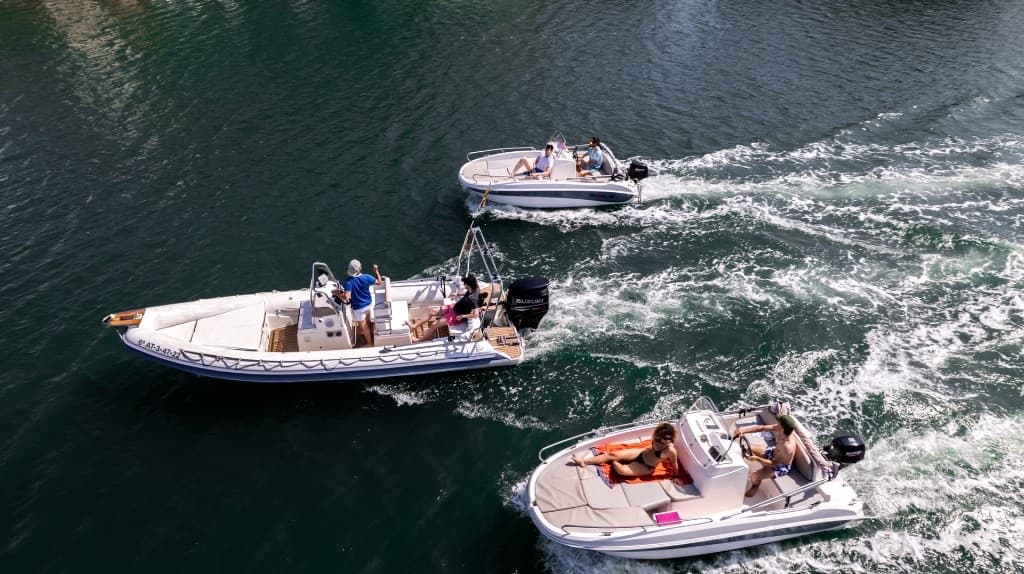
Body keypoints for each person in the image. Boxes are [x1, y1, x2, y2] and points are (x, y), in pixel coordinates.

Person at [571, 422, 680, 478]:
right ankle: (584, 461)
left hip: (646, 466)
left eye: (667, 440)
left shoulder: (671, 450)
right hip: (641, 453)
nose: (663, 442)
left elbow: (674, 465)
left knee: (621, 470)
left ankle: (612, 461)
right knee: (612, 454)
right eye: (660, 439)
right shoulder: (657, 437)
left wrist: (676, 476)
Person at [734, 414, 799, 497]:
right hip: (773, 452)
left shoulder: (787, 446)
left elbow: (774, 463)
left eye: (779, 422)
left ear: (782, 427)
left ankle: (755, 486)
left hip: (780, 466)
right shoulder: (781, 428)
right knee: (746, 448)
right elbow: (761, 428)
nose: (776, 423)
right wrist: (743, 430)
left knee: (755, 476)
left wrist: (757, 459)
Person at [407, 274, 483, 342]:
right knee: (432, 311)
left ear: (468, 285)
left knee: (434, 324)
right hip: (453, 307)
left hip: (456, 316)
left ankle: (419, 340)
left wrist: (463, 316)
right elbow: (466, 294)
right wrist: (458, 294)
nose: (464, 285)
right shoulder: (474, 289)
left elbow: (476, 314)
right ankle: (413, 326)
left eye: (465, 284)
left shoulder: (473, 299)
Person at [341, 259, 381, 346]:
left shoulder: (348, 282)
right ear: (360, 268)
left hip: (358, 308)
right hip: (369, 304)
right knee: (367, 320)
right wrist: (376, 271)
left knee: (363, 326)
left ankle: (370, 343)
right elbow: (379, 282)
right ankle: (369, 333)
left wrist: (338, 294)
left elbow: (347, 298)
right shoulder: (367, 277)